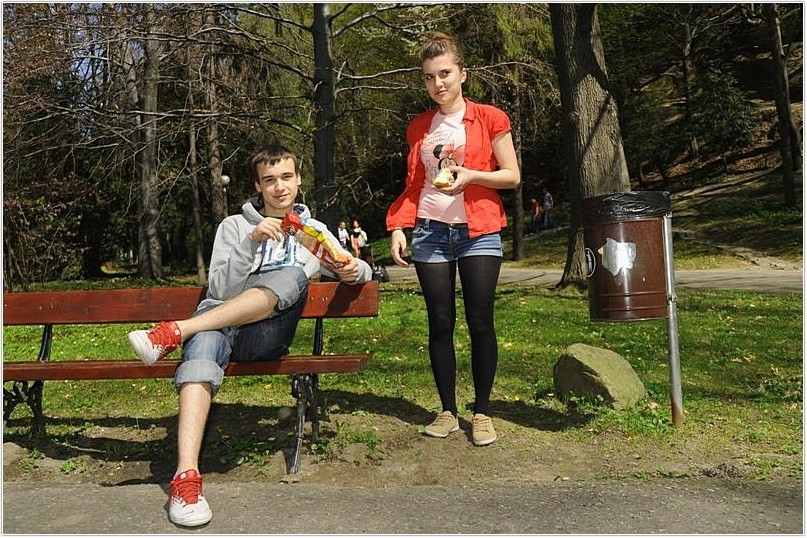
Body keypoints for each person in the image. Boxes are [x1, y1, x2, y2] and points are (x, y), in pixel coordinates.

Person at [126, 144, 372, 528]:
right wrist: (250, 243)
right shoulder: (234, 227)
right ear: (258, 186)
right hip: (219, 322)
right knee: (202, 349)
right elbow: (220, 290)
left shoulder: (314, 232)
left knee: (293, 274)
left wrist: (352, 270)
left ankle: (177, 330)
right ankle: (186, 480)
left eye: (286, 177)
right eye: (269, 180)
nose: (279, 187)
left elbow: (354, 269)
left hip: (265, 336)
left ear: (299, 179)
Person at [386, 32, 520, 447]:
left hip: (477, 231)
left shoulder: (490, 118)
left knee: (480, 321)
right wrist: (398, 226)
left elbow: (512, 176)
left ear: (462, 74)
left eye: (444, 73)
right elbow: (414, 184)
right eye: (429, 77)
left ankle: (482, 413)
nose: (438, 83)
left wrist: (472, 175)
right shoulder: (419, 128)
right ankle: (447, 410)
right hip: (430, 232)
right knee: (440, 323)